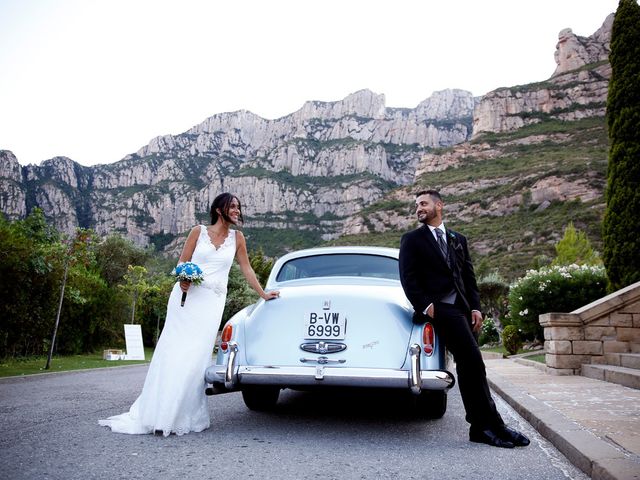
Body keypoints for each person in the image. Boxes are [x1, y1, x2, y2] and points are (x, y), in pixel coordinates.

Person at [99, 193, 279, 436]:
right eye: (233, 206)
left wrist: (263, 294)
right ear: (219, 210)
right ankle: (159, 412)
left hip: (211, 303)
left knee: (195, 356)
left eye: (238, 206)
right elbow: (182, 262)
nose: (237, 210)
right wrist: (183, 280)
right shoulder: (198, 231)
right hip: (187, 299)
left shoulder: (238, 238)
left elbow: (246, 268)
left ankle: (183, 414)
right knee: (173, 350)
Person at [398, 189, 529, 448]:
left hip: (464, 311)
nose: (418, 209)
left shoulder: (458, 239)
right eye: (416, 206)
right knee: (473, 363)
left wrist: (476, 308)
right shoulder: (412, 239)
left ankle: (486, 427)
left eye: (423, 204)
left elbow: (468, 277)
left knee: (471, 368)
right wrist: (427, 306)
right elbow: (408, 278)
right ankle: (489, 425)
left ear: (439, 205)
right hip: (441, 310)